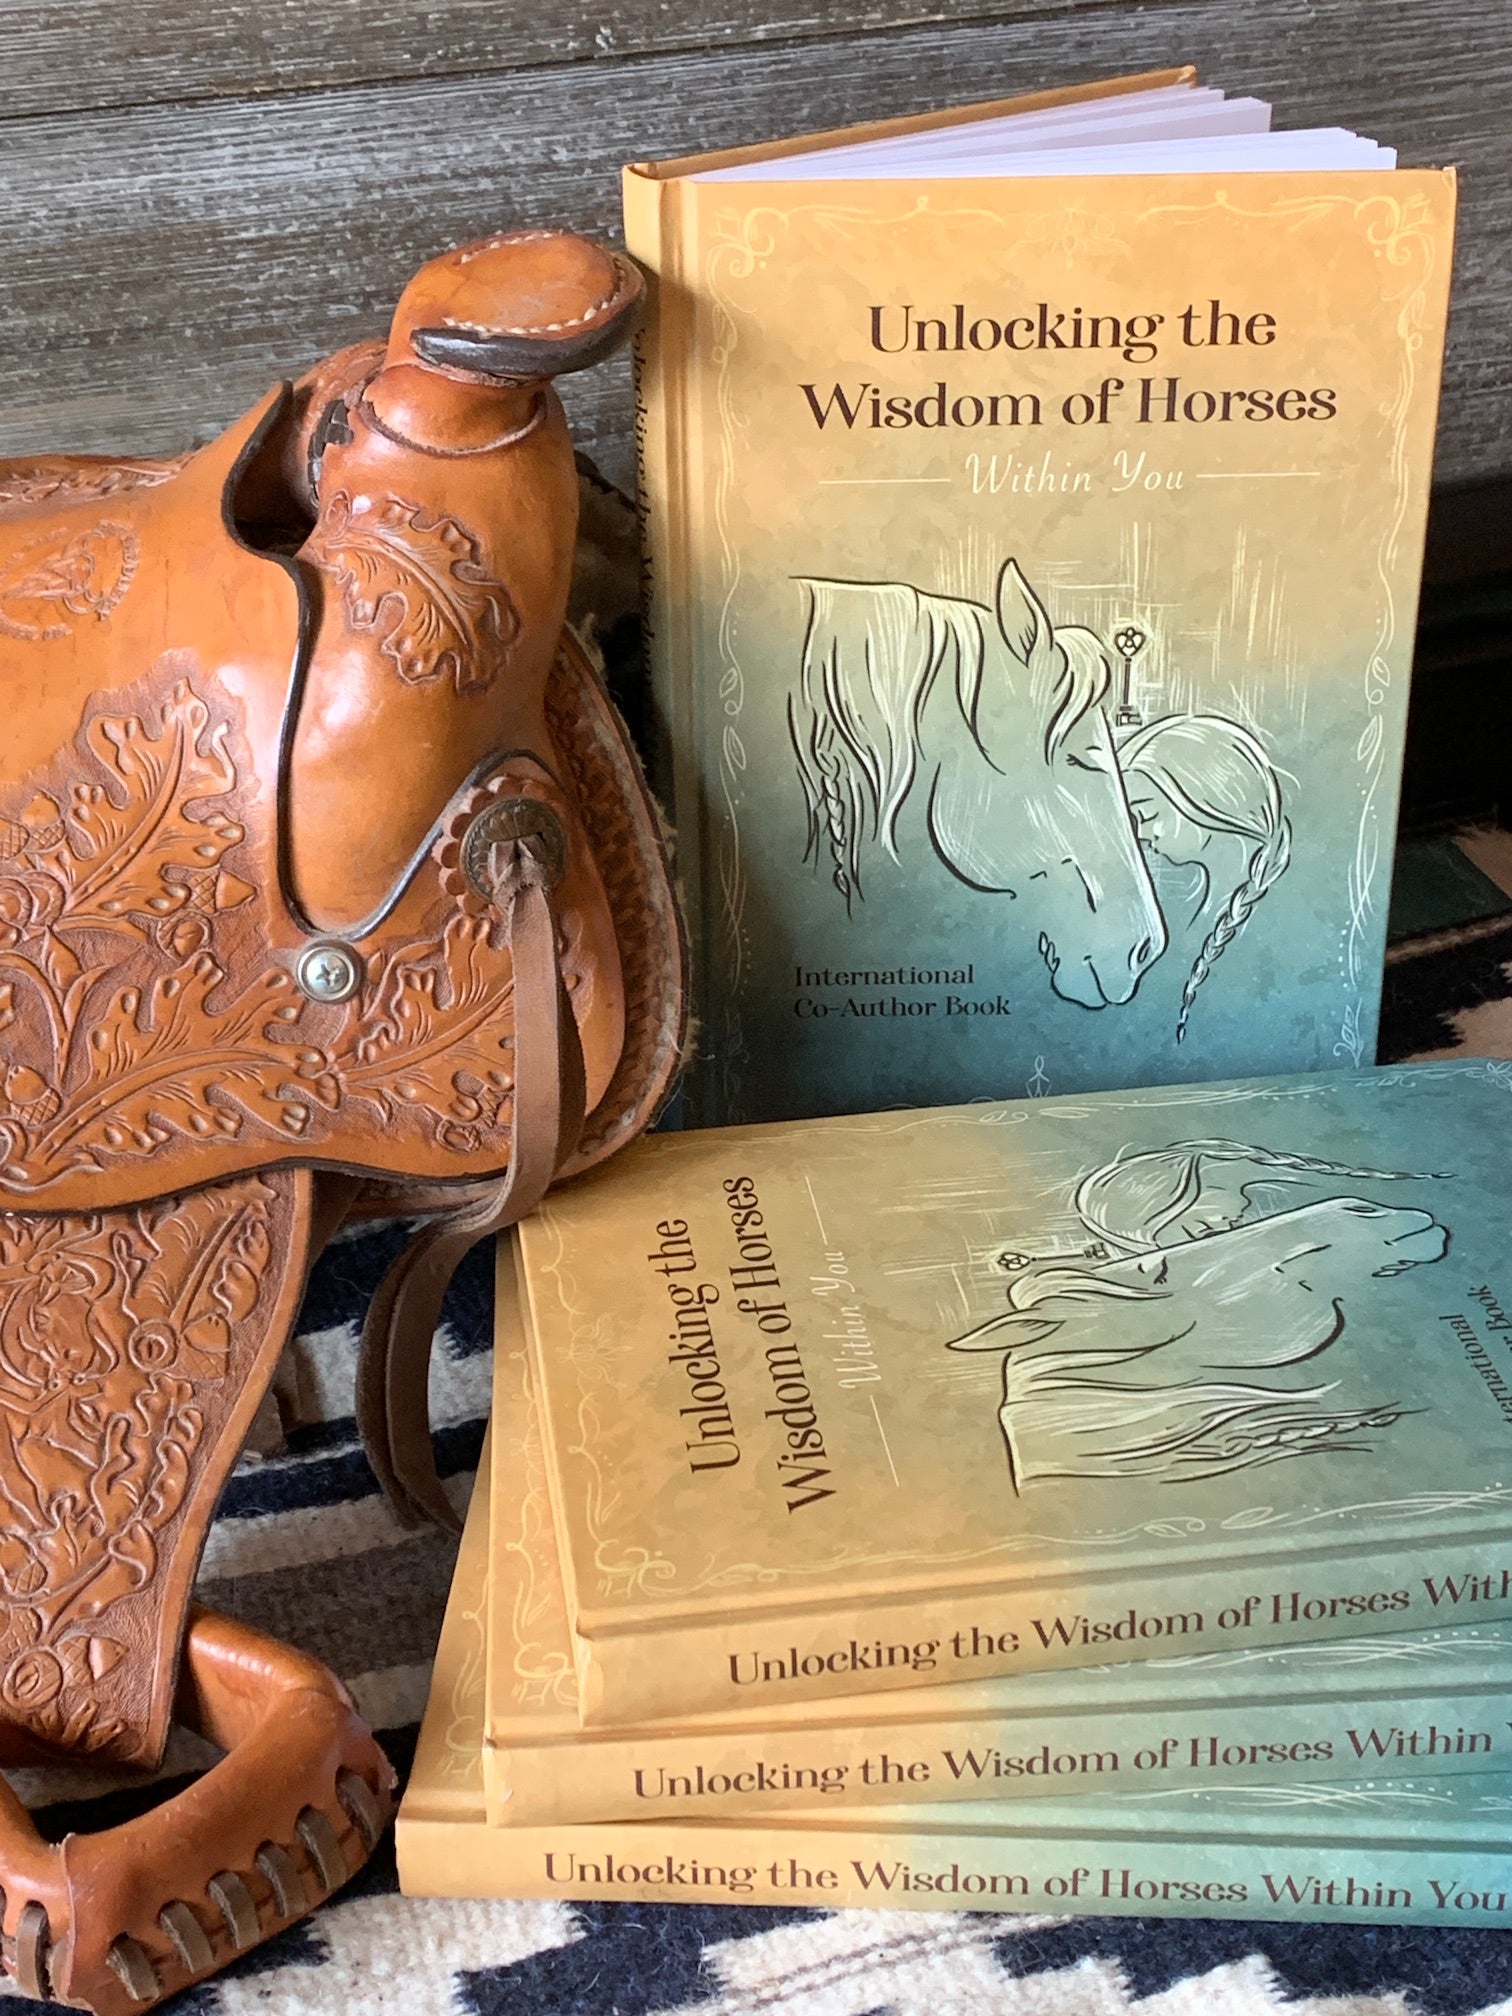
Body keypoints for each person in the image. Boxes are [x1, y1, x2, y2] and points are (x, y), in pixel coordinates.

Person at [1118, 713, 1292, 1040]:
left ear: (1200, 799)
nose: (1139, 832)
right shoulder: (1198, 916)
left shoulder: (1273, 924)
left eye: (1147, 812)